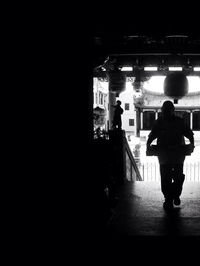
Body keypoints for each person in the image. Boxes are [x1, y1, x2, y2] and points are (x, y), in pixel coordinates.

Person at [146, 100, 195, 210]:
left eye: (168, 110)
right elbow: (152, 134)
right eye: (165, 110)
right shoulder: (160, 122)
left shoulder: (178, 122)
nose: (166, 112)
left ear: (173, 110)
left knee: (176, 177)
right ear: (163, 111)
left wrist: (192, 144)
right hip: (166, 154)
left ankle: (173, 195)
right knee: (166, 177)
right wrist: (148, 143)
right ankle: (169, 197)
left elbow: (189, 133)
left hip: (176, 154)